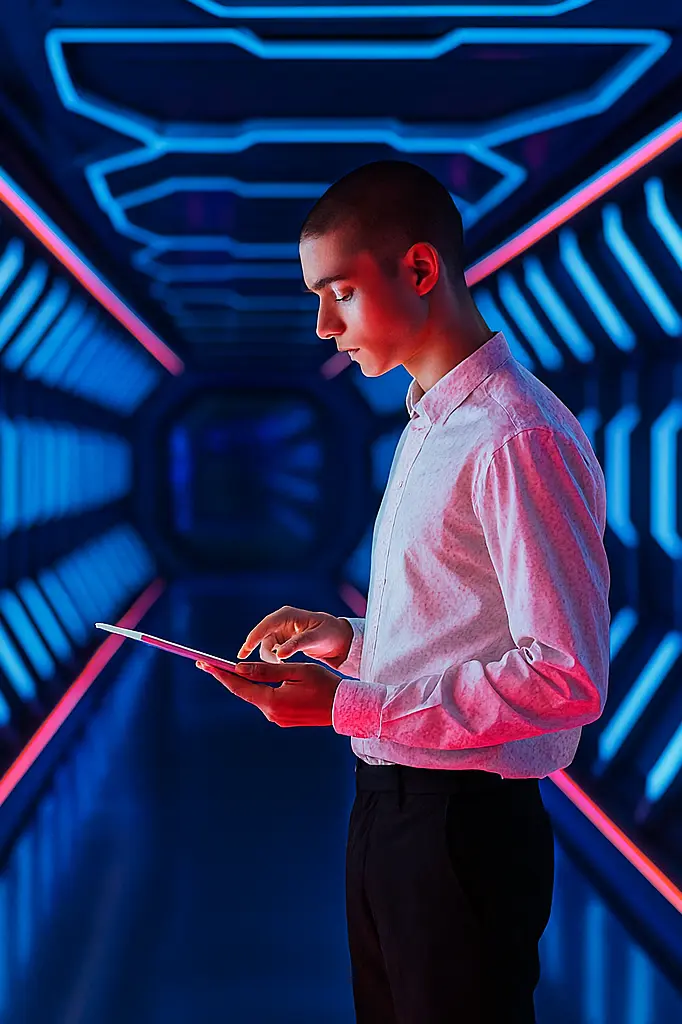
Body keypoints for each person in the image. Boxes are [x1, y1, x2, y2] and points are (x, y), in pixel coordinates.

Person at [196, 160, 611, 1023]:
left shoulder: (514, 437)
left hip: (461, 829)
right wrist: (348, 640)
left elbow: (566, 673)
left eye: (338, 292)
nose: (321, 325)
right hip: (393, 814)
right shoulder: (431, 423)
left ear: (419, 270)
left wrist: (351, 709)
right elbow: (466, 622)